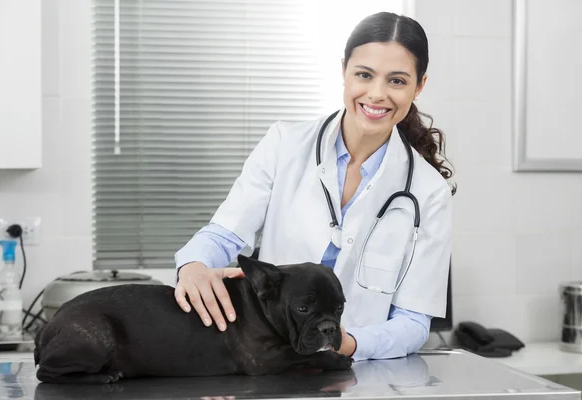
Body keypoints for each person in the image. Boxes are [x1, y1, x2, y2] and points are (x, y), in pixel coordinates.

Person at [174, 11, 455, 361]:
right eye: (364, 75)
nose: (377, 94)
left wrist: (349, 342)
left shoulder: (428, 194)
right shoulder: (285, 144)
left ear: (419, 85)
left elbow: (413, 322)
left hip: (358, 373)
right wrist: (193, 266)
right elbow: (224, 236)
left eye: (397, 81)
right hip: (270, 359)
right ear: (343, 71)